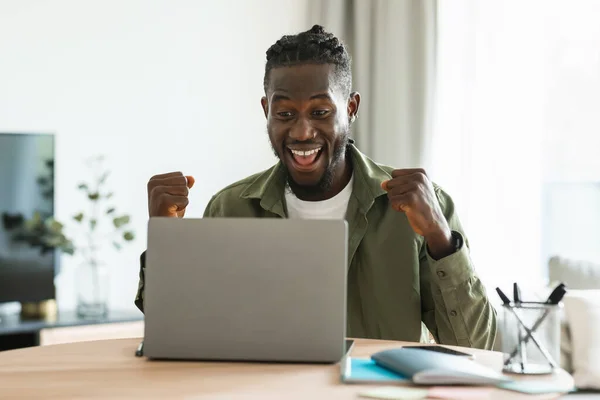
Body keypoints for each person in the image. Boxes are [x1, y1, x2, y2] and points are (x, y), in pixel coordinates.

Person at [135, 25, 497, 350]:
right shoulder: (230, 208)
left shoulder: (421, 207)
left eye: (321, 112)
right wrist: (165, 237)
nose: (302, 132)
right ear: (266, 111)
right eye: (285, 114)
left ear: (351, 108)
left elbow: (477, 347)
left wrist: (440, 238)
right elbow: (183, 336)